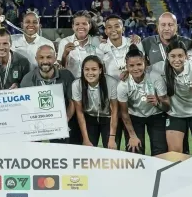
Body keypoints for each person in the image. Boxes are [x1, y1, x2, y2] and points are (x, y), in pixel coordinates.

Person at [96, 15, 144, 149]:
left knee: (135, 145)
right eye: (109, 27)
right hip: (111, 102)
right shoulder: (101, 49)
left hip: (133, 100)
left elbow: (143, 66)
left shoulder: (134, 43)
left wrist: (129, 71)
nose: (113, 30)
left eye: (117, 26)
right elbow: (100, 72)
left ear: (122, 28)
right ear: (105, 31)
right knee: (112, 145)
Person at [117, 45, 169, 155]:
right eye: (131, 65)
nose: (136, 68)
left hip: (156, 115)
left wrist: (158, 103)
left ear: (145, 63)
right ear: (126, 66)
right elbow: (124, 113)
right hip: (134, 117)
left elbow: (167, 106)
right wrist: (132, 136)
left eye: (139, 64)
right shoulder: (123, 85)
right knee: (134, 150)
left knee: (160, 151)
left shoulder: (155, 78)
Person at [20, 45, 76, 143]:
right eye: (41, 57)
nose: (45, 61)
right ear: (36, 59)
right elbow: (24, 107)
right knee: (34, 153)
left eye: (49, 57)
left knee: (62, 153)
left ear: (55, 58)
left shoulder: (66, 75)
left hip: (60, 124)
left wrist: (66, 118)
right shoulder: (28, 79)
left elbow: (72, 102)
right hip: (36, 125)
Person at [71, 55, 117, 147]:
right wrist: (85, 139)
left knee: (110, 149)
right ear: (83, 70)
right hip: (89, 118)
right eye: (87, 69)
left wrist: (112, 137)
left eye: (94, 69)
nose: (90, 73)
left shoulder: (111, 82)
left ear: (100, 70)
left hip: (107, 119)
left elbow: (114, 111)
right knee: (89, 150)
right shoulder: (77, 84)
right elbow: (79, 113)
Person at [57, 12, 100, 79]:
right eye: (77, 24)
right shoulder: (65, 42)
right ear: (73, 26)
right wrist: (65, 55)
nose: (81, 26)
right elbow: (61, 68)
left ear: (90, 26)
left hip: (92, 81)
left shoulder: (96, 42)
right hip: (71, 82)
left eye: (84, 24)